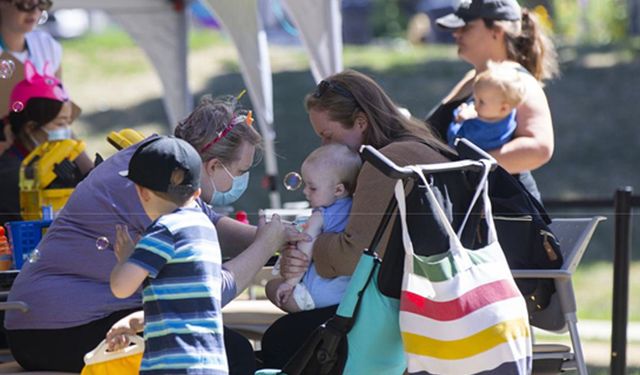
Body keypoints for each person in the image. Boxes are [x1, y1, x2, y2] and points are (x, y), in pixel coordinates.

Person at [4, 95, 307, 373]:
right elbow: (206, 294)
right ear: (213, 165)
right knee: (234, 354)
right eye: (239, 172)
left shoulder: (157, 165)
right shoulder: (150, 194)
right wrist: (266, 244)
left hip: (50, 322)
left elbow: (210, 223)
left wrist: (277, 237)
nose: (241, 180)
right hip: (54, 331)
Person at [260, 70, 456, 368]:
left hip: (394, 317)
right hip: (430, 305)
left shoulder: (386, 163)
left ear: (361, 122)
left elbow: (353, 254)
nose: (325, 147)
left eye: (328, 135)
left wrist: (307, 246)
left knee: (279, 341)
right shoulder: (422, 146)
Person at [107, 136, 242, 374]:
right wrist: (136, 322)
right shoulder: (204, 229)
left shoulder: (164, 231)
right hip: (210, 365)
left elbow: (121, 287)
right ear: (197, 192)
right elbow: (187, 303)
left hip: (174, 367)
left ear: (142, 193)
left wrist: (126, 258)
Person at [426, 0, 559, 201]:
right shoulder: (474, 78)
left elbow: (539, 148)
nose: (456, 33)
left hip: (503, 219)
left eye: (466, 27)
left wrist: (468, 168)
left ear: (497, 31)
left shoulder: (518, 81)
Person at [266, 144, 361, 313]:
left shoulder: (322, 214)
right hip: (345, 293)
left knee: (272, 288)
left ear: (338, 189)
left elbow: (305, 246)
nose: (305, 191)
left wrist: (290, 283)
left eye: (313, 187)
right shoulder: (356, 208)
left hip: (316, 294)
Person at [0, 59, 91, 225]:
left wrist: (84, 164)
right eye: (60, 123)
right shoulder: (10, 171)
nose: (68, 132)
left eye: (68, 123)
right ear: (31, 127)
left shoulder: (59, 156)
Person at [447, 60, 527, 151]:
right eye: (475, 99)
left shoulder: (476, 131)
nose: (474, 105)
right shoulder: (508, 113)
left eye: (481, 102)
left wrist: (459, 120)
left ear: (503, 108)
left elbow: (453, 139)